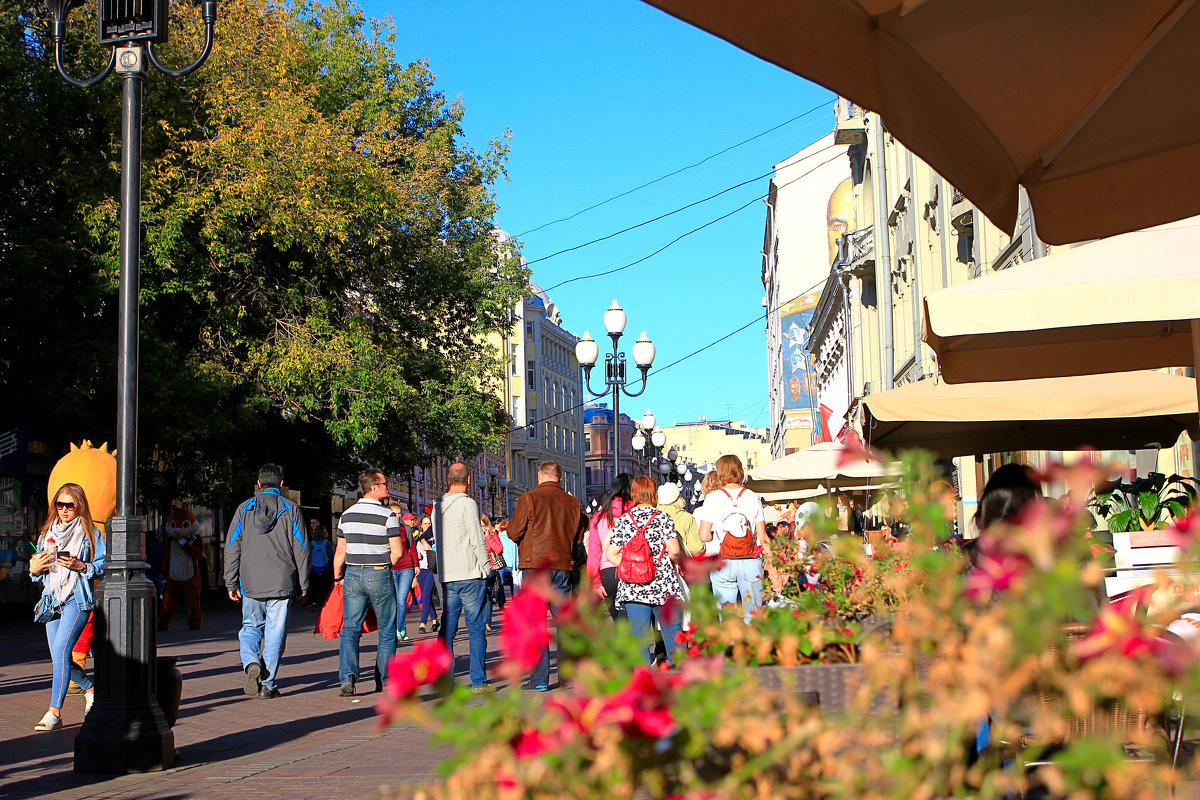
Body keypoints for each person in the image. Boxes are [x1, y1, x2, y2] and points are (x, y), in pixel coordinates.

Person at [225, 464, 310, 699]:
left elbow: (232, 547)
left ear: (258, 483)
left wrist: (230, 581)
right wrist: (303, 584)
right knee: (275, 632)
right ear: (281, 484)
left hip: (250, 581)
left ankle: (251, 661)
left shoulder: (244, 509)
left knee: (251, 627)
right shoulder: (290, 509)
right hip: (282, 581)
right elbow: (302, 549)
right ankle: (268, 684)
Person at [28, 483, 107, 731]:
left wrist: (81, 566)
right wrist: (33, 569)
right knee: (58, 656)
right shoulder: (46, 535)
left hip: (77, 597)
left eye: (69, 505)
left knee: (62, 650)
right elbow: (38, 575)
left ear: (79, 506)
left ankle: (54, 712)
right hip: (52, 599)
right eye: (59, 505)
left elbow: (103, 566)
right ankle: (91, 689)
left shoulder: (91, 534)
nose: (63, 510)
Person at [507, 460, 589, 691]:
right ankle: (567, 676)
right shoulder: (572, 503)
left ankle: (540, 678)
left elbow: (513, 532)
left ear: (540, 476)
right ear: (560, 479)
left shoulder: (530, 498)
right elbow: (579, 535)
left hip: (535, 566)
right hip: (562, 565)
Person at [332, 470, 404, 696]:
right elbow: (398, 552)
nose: (388, 487)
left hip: (353, 574)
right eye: (384, 484)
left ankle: (347, 678)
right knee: (386, 629)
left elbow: (340, 552)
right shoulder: (387, 516)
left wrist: (337, 578)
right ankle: (385, 679)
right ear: (373, 487)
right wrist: (384, 566)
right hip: (379, 573)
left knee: (350, 629)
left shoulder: (347, 515)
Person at [605, 476, 685, 667]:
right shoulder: (663, 517)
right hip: (662, 584)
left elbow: (610, 554)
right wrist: (666, 563)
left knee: (638, 634)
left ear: (634, 494)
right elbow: (674, 550)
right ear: (653, 493)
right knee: (672, 629)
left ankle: (642, 682)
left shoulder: (625, 520)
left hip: (633, 586)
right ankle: (681, 675)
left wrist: (629, 566)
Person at [433, 463, 491, 691]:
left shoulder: (437, 505)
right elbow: (476, 539)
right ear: (468, 481)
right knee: (476, 628)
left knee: (447, 628)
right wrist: (486, 567)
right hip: (470, 574)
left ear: (448, 480)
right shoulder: (468, 504)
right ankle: (478, 680)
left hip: (448, 575)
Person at [697, 454, 767, 623]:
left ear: (720, 473)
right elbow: (763, 537)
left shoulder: (713, 498)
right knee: (754, 615)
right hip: (751, 560)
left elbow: (704, 536)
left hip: (724, 561)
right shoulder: (752, 496)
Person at [586, 473, 632, 621]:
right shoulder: (635, 514)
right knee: (635, 623)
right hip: (632, 570)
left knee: (618, 620)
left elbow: (594, 553)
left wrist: (596, 582)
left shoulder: (600, 517)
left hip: (607, 572)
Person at [387, 500, 418, 643]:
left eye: (399, 514)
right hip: (391, 567)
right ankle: (398, 628)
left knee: (401, 600)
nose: (398, 516)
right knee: (392, 600)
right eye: (395, 514)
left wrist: (416, 565)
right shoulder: (385, 529)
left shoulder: (405, 529)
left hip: (406, 567)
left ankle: (399, 629)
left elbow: (412, 547)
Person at [657, 482, 702, 556]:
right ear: (678, 498)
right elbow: (696, 548)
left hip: (657, 563)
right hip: (680, 563)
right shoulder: (686, 517)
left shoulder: (653, 516)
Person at [414, 514, 440, 634]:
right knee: (426, 597)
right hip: (421, 570)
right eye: (425, 523)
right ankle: (435, 620)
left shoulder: (435, 537)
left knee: (425, 596)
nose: (427, 526)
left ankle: (422, 624)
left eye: (429, 523)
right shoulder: (418, 538)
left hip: (431, 569)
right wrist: (417, 556)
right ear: (421, 525)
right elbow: (413, 552)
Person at [482, 515, 507, 633]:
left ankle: (487, 622)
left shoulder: (492, 535)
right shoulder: (474, 536)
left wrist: (488, 537)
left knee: (487, 596)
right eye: (480, 526)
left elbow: (498, 549)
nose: (482, 528)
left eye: (484, 526)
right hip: (477, 571)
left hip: (491, 570)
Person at [307, 519, 335, 608]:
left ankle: (314, 601)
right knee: (324, 585)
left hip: (314, 567)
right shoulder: (327, 543)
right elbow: (331, 555)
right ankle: (323, 601)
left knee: (314, 585)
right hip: (324, 567)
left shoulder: (311, 543)